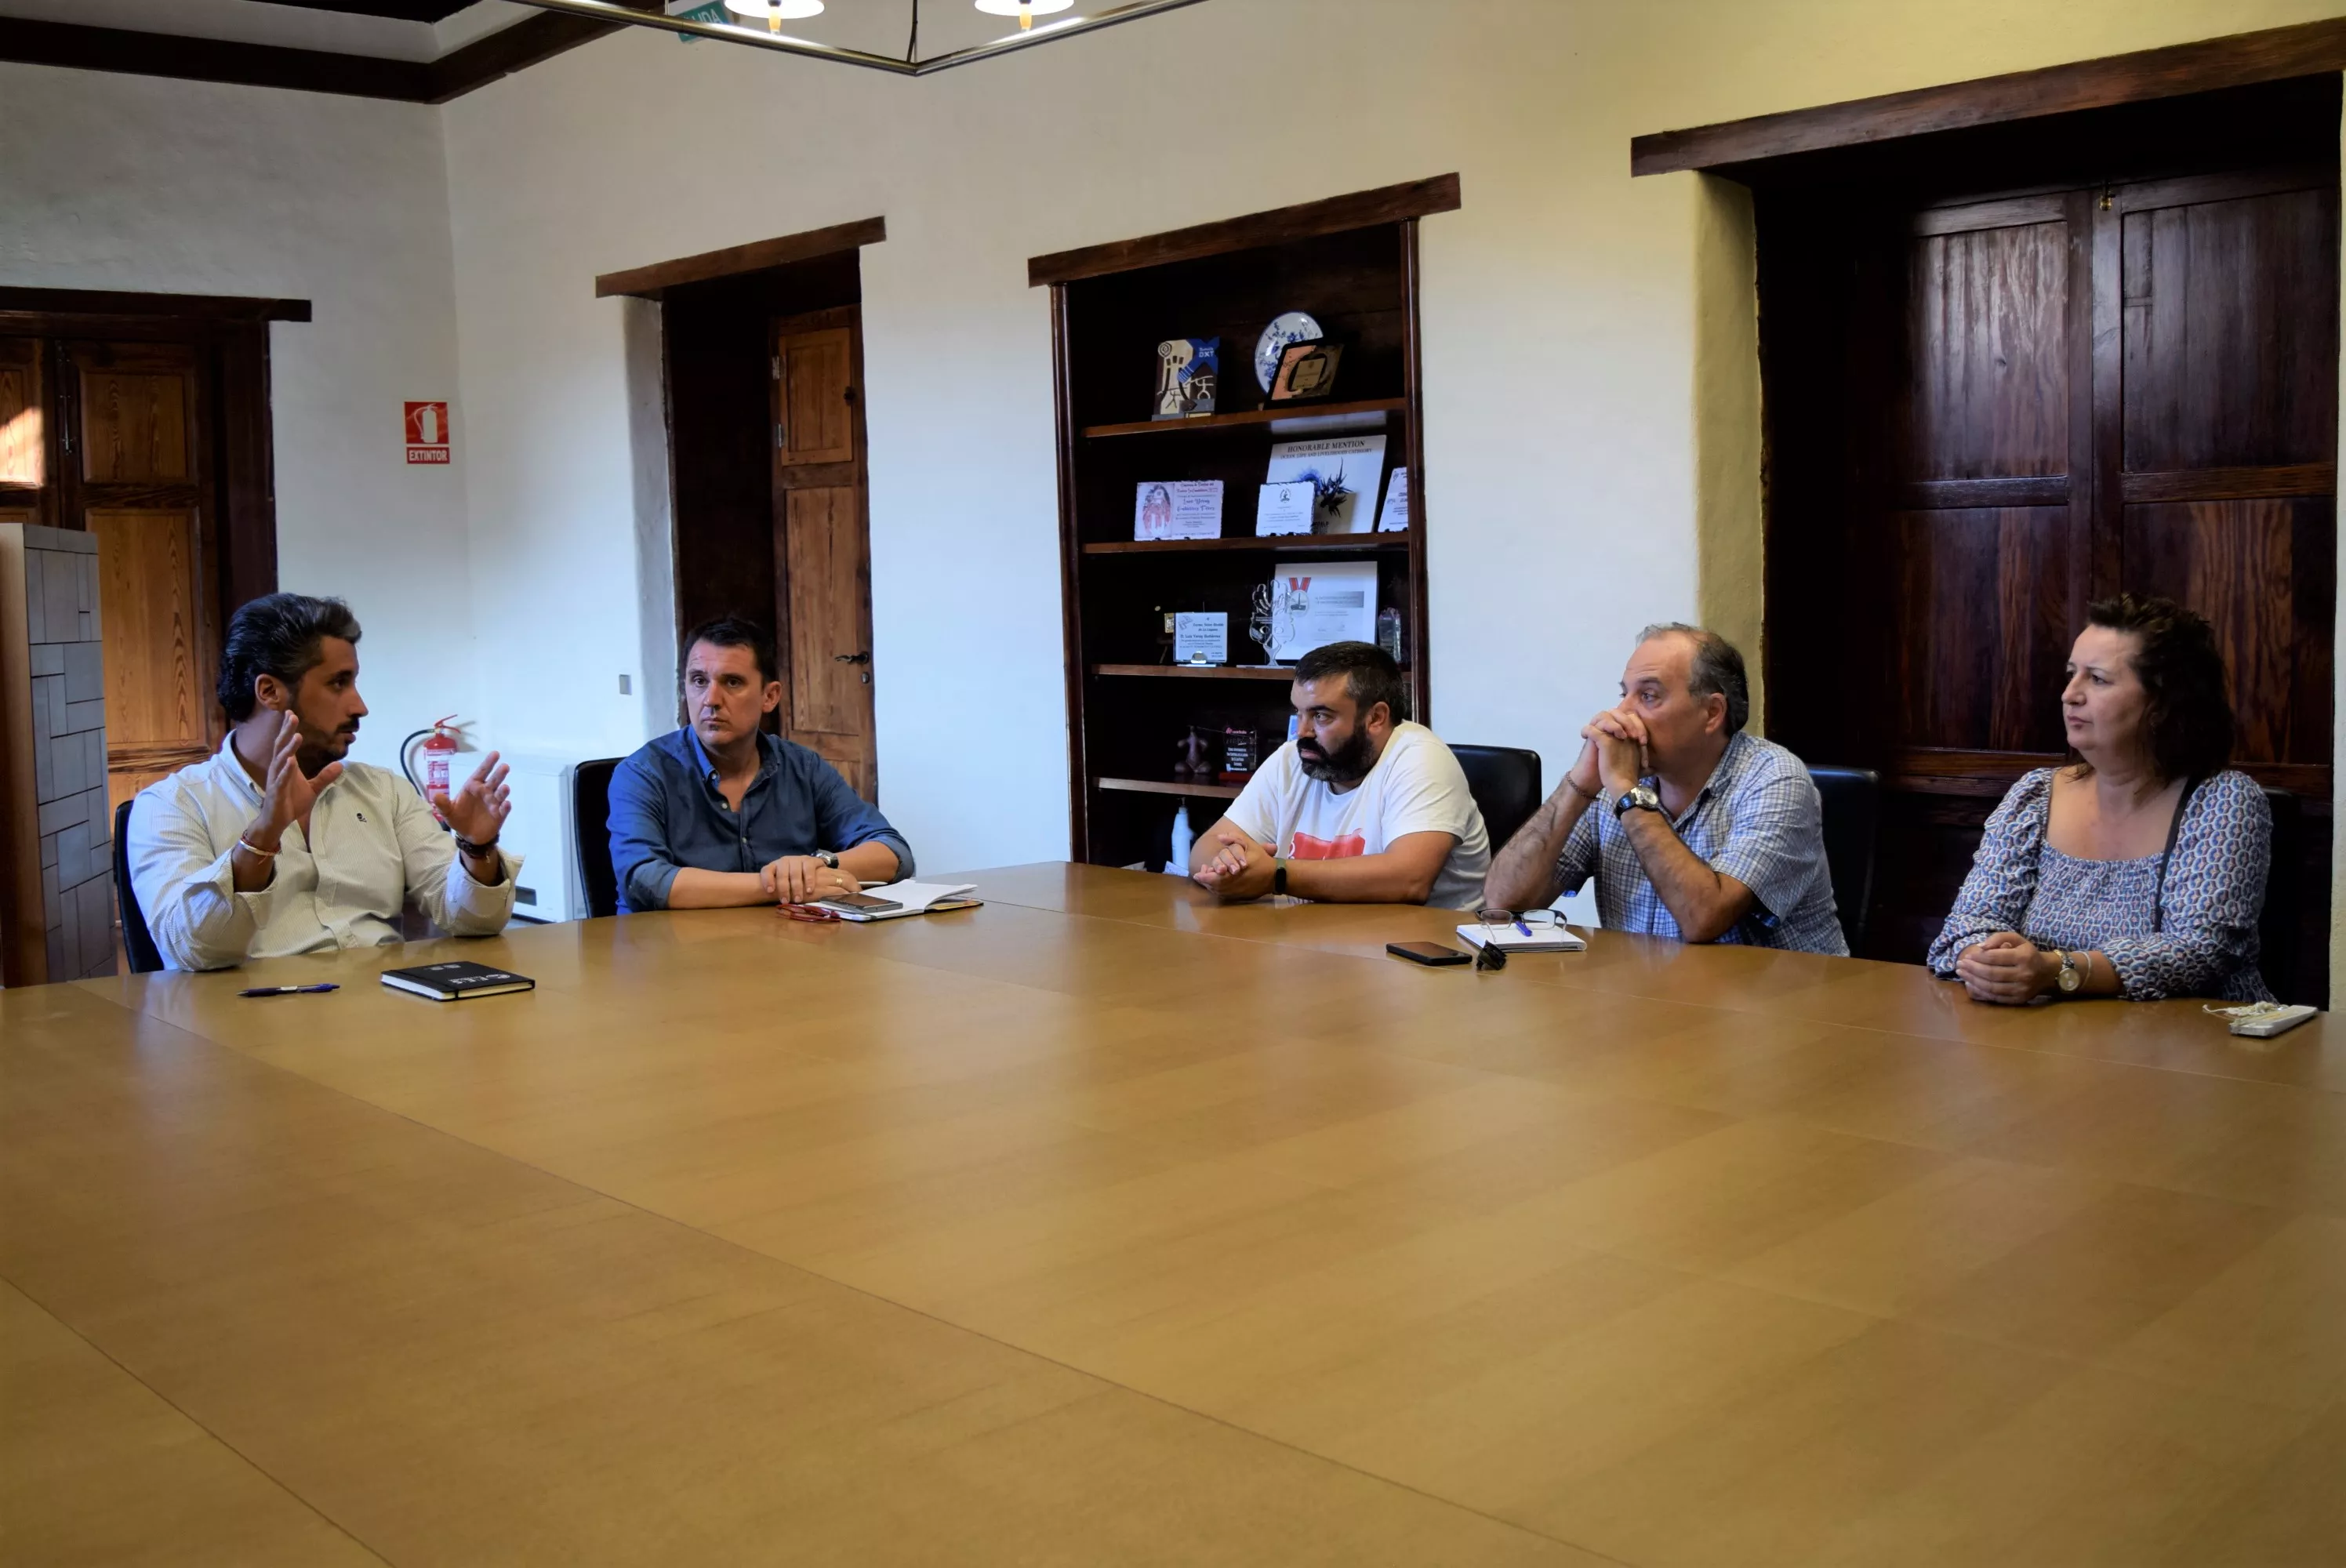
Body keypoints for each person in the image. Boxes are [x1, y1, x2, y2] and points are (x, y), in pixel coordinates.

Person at [127, 593, 518, 971]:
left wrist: (476, 849)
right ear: (269, 691)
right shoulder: (171, 806)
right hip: (250, 1026)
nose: (360, 706)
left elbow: (474, 922)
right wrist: (263, 837)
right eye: (338, 683)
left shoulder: (385, 792)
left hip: (383, 1016)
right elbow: (193, 952)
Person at [1927, 595, 2271, 1004]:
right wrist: (1985, 963)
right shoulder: (2035, 795)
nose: (2070, 695)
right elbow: (1967, 923)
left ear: (2162, 703)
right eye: (2072, 675)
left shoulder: (2222, 799)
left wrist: (2058, 971)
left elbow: (2199, 951)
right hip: (2045, 1041)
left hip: (2195, 1048)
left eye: (2098, 679)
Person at [1484, 622, 1846, 954]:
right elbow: (1503, 903)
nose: (1622, 714)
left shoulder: (1774, 779)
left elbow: (1704, 920)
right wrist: (1580, 782)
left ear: (1712, 713)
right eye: (1625, 694)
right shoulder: (1611, 782)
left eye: (1649, 696)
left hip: (1780, 1010)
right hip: (1653, 1001)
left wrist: (1628, 792)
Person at [607, 617, 913, 913]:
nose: (711, 699)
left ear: (770, 696)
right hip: (669, 954)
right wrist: (780, 885)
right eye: (699, 681)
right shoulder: (643, 774)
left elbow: (894, 853)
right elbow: (644, 881)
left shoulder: (802, 767)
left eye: (732, 682)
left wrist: (821, 865)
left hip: (782, 948)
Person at [1189, 641, 1489, 907]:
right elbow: (1205, 848)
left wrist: (1276, 875)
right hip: (1319, 945)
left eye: (1321, 716)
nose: (1302, 731)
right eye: (1299, 712)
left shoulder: (1421, 757)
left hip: (1425, 955)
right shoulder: (1292, 758)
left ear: (1375, 717)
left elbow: (1410, 879)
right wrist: (1230, 865)